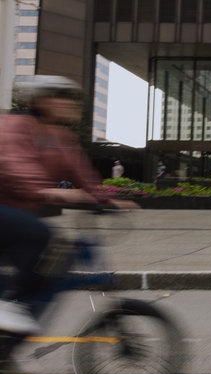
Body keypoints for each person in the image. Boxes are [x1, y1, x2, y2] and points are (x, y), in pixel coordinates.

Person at [0, 75, 138, 337]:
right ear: (39, 101)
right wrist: (48, 191)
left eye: (72, 98)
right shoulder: (14, 125)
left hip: (16, 218)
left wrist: (105, 200)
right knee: (40, 235)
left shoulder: (62, 138)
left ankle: (7, 349)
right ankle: (6, 307)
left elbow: (82, 173)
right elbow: (13, 164)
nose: (69, 103)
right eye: (60, 96)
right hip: (6, 212)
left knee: (51, 267)